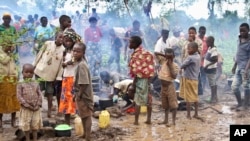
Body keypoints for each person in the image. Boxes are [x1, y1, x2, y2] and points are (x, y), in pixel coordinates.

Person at [33, 31, 64, 118]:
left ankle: (49, 110)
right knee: (38, 90)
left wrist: (57, 77)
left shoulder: (63, 50)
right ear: (55, 37)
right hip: (40, 71)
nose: (61, 39)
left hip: (51, 75)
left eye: (63, 38)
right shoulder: (47, 44)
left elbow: (61, 66)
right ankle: (36, 108)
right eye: (59, 37)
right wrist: (34, 65)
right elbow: (39, 54)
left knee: (50, 92)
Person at [128, 36, 154, 125]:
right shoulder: (145, 52)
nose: (129, 44)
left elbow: (137, 72)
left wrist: (133, 84)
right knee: (148, 99)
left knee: (138, 100)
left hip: (141, 80)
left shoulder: (137, 55)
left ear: (135, 44)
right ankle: (149, 120)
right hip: (148, 79)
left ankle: (136, 121)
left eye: (130, 42)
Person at [59, 29, 81, 125]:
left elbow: (73, 60)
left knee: (75, 99)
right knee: (66, 100)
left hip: (74, 78)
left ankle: (79, 121)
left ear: (73, 41)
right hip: (66, 77)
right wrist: (64, 64)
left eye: (69, 41)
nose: (67, 43)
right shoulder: (65, 51)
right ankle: (67, 122)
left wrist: (65, 63)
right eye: (66, 41)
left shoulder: (75, 51)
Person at [73, 42, 93, 141]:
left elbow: (84, 83)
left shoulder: (81, 65)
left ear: (83, 52)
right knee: (83, 115)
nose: (75, 53)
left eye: (78, 51)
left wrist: (79, 95)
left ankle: (88, 136)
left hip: (84, 95)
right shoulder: (80, 63)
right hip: (80, 93)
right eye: (74, 51)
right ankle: (85, 134)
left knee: (87, 115)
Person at [17, 64, 42, 141]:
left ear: (33, 73)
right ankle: (27, 139)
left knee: (35, 125)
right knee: (26, 125)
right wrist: (27, 105)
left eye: (31, 72)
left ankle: (35, 138)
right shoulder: (20, 84)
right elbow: (19, 96)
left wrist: (38, 104)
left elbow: (40, 94)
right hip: (26, 109)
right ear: (22, 72)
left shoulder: (36, 83)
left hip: (36, 108)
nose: (29, 74)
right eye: (26, 72)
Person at [155, 48, 179, 126]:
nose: (168, 57)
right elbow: (156, 52)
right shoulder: (163, 61)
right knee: (165, 105)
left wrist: (170, 66)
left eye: (170, 55)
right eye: (167, 55)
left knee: (173, 105)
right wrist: (165, 56)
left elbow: (174, 76)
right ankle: (165, 120)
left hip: (170, 86)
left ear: (174, 56)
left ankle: (173, 122)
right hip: (163, 87)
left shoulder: (175, 65)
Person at [0, 39, 20, 129]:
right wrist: (10, 53)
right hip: (3, 79)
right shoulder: (2, 53)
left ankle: (13, 121)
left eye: (11, 46)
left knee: (14, 100)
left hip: (12, 79)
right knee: (1, 101)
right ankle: (0, 123)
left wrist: (16, 74)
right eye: (8, 45)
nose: (10, 47)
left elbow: (14, 65)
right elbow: (4, 61)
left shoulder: (11, 54)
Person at [179, 42, 201, 120]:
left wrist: (180, 68)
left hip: (188, 79)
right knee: (195, 96)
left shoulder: (190, 57)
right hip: (195, 79)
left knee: (188, 98)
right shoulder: (198, 56)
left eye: (189, 49)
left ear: (195, 49)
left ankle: (188, 115)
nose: (188, 50)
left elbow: (182, 65)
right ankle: (196, 113)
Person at [231, 23, 250, 111]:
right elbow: (238, 54)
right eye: (240, 31)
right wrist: (234, 66)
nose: (242, 33)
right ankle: (240, 103)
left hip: (246, 67)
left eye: (244, 31)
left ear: (248, 30)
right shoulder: (239, 39)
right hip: (239, 66)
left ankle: (245, 105)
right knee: (234, 87)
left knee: (246, 86)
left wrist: (246, 70)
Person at [180, 26, 203, 95]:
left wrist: (192, 42)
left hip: (194, 66)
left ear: (195, 33)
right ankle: (188, 98)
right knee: (187, 81)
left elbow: (199, 52)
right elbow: (183, 54)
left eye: (192, 33)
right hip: (186, 65)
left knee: (195, 82)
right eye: (189, 33)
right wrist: (182, 64)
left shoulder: (199, 42)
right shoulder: (185, 42)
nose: (191, 34)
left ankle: (195, 98)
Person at [204, 36, 218, 103]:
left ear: (211, 42)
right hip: (209, 69)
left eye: (207, 42)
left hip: (211, 69)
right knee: (212, 83)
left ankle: (213, 98)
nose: (206, 43)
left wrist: (207, 65)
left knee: (212, 84)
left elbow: (215, 60)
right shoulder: (210, 48)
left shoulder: (214, 49)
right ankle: (215, 97)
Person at [198, 26, 208, 92]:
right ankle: (199, 89)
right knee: (198, 75)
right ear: (199, 32)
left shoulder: (206, 39)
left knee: (204, 75)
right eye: (201, 32)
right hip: (197, 61)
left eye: (204, 33)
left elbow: (209, 48)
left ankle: (203, 89)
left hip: (204, 61)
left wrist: (205, 55)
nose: (203, 34)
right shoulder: (196, 39)